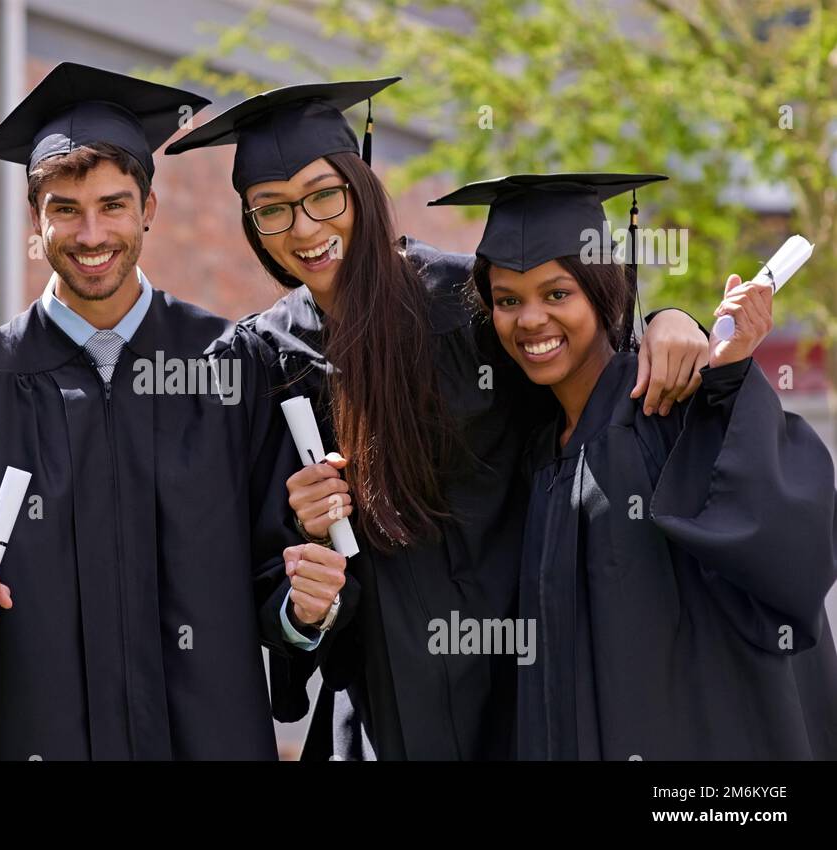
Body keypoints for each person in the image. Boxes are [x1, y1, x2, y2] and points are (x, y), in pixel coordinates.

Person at [167, 82, 712, 759]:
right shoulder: (261, 362)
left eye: (322, 195)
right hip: (377, 711)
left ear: (360, 184)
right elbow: (266, 585)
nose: (304, 229)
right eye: (270, 211)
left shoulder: (473, 305)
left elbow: (588, 369)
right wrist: (309, 570)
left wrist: (669, 319)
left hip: (524, 685)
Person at [0, 63, 345, 761]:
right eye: (65, 209)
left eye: (113, 205)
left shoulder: (231, 365)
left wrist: (304, 606)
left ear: (148, 210)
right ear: (35, 219)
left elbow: (278, 569)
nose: (91, 233)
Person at [438, 172, 837, 758]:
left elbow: (787, 547)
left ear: (604, 292)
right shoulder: (537, 445)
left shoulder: (668, 405)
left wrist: (724, 378)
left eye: (557, 294)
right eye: (507, 300)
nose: (530, 320)